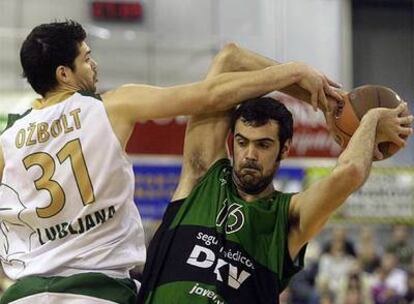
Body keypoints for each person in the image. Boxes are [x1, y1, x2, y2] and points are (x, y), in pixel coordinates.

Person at [0, 20, 342, 304]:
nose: (94, 66)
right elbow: (211, 95)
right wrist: (295, 72)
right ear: (64, 73)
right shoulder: (111, 106)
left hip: (20, 294)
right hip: (96, 292)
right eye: (86, 59)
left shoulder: (6, 140)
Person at [137, 48, 413, 303]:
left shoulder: (289, 217)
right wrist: (315, 92)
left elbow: (350, 172)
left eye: (263, 145)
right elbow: (230, 59)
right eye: (242, 142)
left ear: (285, 149)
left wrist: (372, 118)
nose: (249, 155)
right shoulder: (202, 176)